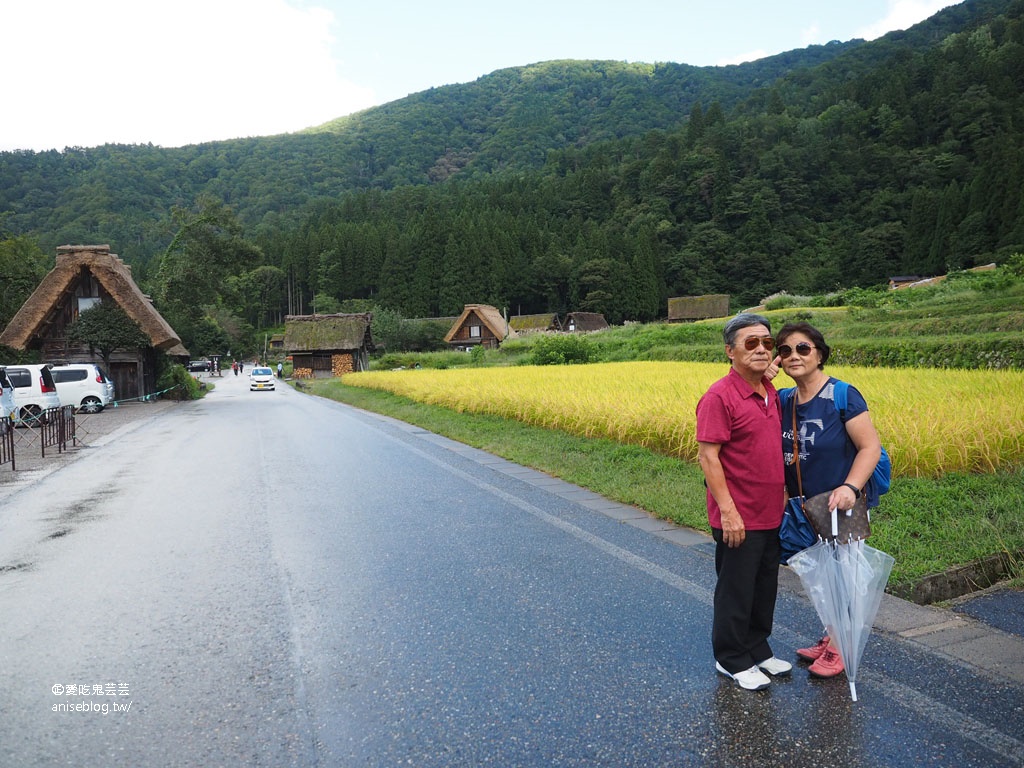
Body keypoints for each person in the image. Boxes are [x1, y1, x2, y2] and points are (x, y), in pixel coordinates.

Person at [776, 322, 883, 679]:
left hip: (841, 502)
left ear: (819, 354)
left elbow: (870, 447)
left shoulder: (842, 395)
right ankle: (832, 634)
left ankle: (840, 648)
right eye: (786, 350)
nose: (794, 356)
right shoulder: (783, 399)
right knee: (821, 575)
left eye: (803, 349)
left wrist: (851, 487)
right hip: (805, 505)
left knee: (846, 575)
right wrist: (766, 376)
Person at [696, 313, 792, 691]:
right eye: (750, 343)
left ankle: (757, 647)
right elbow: (708, 457)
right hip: (738, 515)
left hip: (770, 511)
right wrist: (728, 511)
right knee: (736, 587)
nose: (761, 349)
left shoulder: (768, 392)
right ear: (729, 352)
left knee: (765, 584)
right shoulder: (719, 396)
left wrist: (766, 374)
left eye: (768, 343)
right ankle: (731, 658)